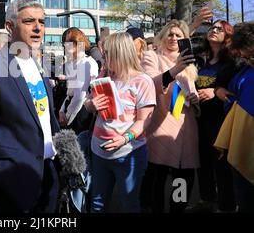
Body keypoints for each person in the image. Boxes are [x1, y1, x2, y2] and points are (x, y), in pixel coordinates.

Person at [0, 0, 60, 213]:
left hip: (48, 176)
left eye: (42, 22)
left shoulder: (38, 65)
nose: (38, 28)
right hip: (12, 185)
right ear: (10, 27)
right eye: (29, 21)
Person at [84, 33, 156, 213]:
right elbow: (88, 104)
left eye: (107, 53)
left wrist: (125, 138)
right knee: (97, 204)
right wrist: (91, 105)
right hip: (98, 151)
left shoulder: (142, 81)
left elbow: (143, 121)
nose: (104, 58)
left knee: (129, 204)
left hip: (129, 153)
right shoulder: (104, 76)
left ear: (121, 53)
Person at [140, 20, 200, 213]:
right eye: (170, 34)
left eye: (178, 36)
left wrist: (195, 98)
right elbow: (150, 85)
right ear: (163, 36)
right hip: (160, 126)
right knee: (158, 177)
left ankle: (177, 209)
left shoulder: (189, 63)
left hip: (185, 128)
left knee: (182, 178)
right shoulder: (151, 56)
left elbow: (190, 91)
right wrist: (175, 69)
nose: (174, 38)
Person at [190, 20, 237, 213]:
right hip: (198, 119)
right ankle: (206, 199)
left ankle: (226, 206)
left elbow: (234, 92)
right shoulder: (199, 60)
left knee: (222, 166)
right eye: (212, 28)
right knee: (202, 162)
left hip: (221, 121)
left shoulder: (233, 63)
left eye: (220, 29)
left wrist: (214, 91)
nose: (214, 31)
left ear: (227, 36)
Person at [214, 22, 254, 213]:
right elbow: (232, 92)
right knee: (244, 197)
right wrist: (221, 91)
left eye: (249, 53)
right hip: (240, 140)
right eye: (245, 54)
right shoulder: (244, 70)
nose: (247, 57)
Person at [59, 27, 98, 135]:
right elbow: (70, 92)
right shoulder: (70, 63)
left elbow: (80, 96)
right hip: (70, 108)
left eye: (68, 42)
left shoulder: (88, 62)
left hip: (81, 112)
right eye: (65, 43)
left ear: (77, 43)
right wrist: (62, 110)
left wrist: (67, 117)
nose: (65, 45)